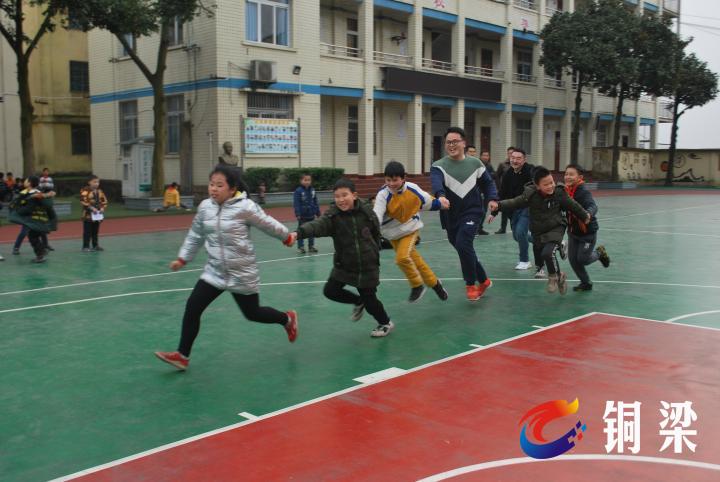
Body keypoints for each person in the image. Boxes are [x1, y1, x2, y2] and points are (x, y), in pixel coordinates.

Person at [155, 165, 298, 371]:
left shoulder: (245, 207)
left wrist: (286, 236)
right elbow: (195, 234)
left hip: (241, 272)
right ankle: (182, 356)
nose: (213, 189)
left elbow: (267, 223)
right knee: (192, 307)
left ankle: (287, 318)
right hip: (215, 272)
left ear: (232, 189)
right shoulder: (205, 207)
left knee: (252, 313)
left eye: (219, 185)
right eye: (211, 184)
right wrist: (183, 258)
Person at [287, 178, 394, 338]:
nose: (341, 199)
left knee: (371, 301)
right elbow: (317, 225)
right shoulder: (333, 216)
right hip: (344, 264)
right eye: (337, 196)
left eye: (345, 195)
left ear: (355, 195)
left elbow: (375, 231)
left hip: (367, 265)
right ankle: (358, 301)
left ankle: (385, 323)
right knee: (330, 291)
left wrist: (374, 251)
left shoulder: (366, 212)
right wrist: (298, 233)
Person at [490, 166, 590, 295]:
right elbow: (515, 202)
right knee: (547, 254)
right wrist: (498, 206)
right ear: (537, 186)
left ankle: (553, 277)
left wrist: (585, 216)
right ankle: (560, 276)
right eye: (546, 184)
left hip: (557, 226)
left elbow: (573, 205)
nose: (550, 186)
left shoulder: (559, 192)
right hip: (539, 230)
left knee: (547, 254)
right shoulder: (530, 194)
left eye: (551, 182)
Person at [431, 127, 498, 302]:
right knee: (463, 248)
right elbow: (436, 183)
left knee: (463, 244)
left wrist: (492, 199)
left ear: (463, 143)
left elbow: (488, 184)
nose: (451, 145)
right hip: (450, 215)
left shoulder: (475, 164)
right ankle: (483, 280)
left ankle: (470, 284)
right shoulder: (438, 166)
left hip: (473, 211)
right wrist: (441, 196)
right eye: (448, 142)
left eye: (455, 141)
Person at [373, 161, 449, 303]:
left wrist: (441, 204)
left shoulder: (413, 189)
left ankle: (417, 285)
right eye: (388, 180)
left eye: (395, 180)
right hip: (392, 234)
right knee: (416, 261)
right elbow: (377, 213)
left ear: (403, 178)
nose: (391, 183)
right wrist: (372, 228)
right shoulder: (383, 195)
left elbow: (427, 201)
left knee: (402, 258)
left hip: (410, 228)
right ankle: (436, 285)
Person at [563, 164, 611, 291]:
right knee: (573, 260)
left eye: (571, 174)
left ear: (580, 177)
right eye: (566, 174)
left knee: (583, 259)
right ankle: (586, 283)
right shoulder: (565, 191)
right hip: (573, 232)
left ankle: (600, 253)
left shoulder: (583, 191)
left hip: (587, 233)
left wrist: (588, 214)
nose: (567, 177)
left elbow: (593, 206)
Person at [499, 148, 534, 270]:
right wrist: (494, 211)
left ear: (524, 160)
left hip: (527, 207)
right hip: (513, 209)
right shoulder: (508, 174)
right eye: (513, 158)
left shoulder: (530, 171)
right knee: (517, 236)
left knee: (520, 232)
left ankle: (524, 261)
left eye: (518, 158)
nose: (515, 160)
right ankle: (550, 242)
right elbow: (502, 193)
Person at [8, 176, 57, 264]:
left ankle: (40, 255)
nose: (24, 181)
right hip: (39, 220)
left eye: (26, 180)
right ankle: (42, 250)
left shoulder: (34, 195)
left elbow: (28, 209)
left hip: (34, 220)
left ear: (30, 183)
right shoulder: (35, 193)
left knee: (32, 237)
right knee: (37, 235)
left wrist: (18, 211)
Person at [293, 173, 321, 254]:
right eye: (305, 180)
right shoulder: (298, 191)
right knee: (301, 231)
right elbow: (296, 203)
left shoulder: (312, 190)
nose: (307, 182)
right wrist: (298, 214)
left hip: (311, 215)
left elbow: (315, 202)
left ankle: (311, 246)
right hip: (302, 216)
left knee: (312, 231)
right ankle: (300, 247)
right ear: (301, 181)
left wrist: (318, 212)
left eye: (309, 180)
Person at [80, 175, 108, 252]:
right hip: (88, 215)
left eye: (98, 182)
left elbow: (104, 201)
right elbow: (83, 201)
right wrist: (92, 208)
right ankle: (85, 246)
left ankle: (95, 245)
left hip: (97, 216)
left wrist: (102, 208)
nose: (96, 183)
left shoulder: (100, 191)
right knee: (87, 232)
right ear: (89, 182)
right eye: (94, 182)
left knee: (95, 231)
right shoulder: (85, 190)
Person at [494, 147, 513, 234]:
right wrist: (499, 187)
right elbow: (497, 176)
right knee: (504, 209)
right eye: (509, 153)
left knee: (515, 209)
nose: (511, 155)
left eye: (513, 153)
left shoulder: (518, 164)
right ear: (507, 154)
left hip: (515, 191)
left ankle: (514, 227)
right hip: (504, 191)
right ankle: (503, 228)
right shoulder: (502, 165)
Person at [476, 149, 495, 236]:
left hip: (486, 192)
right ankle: (475, 228)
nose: (486, 157)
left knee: (484, 211)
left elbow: (492, 178)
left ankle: (480, 228)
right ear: (480, 156)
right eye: (484, 155)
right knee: (479, 211)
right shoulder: (477, 165)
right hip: (478, 192)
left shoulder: (489, 166)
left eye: (487, 155)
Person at [38, 168, 55, 251]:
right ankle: (17, 247)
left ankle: (45, 245)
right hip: (36, 215)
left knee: (43, 227)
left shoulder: (50, 179)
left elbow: (51, 187)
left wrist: (48, 193)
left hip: (43, 209)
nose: (46, 172)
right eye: (44, 171)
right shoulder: (40, 181)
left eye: (47, 171)